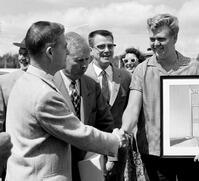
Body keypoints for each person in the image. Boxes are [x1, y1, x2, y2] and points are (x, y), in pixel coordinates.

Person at [5, 21, 126, 181]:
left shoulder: (25, 81)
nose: (66, 51)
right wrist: (115, 141)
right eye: (64, 47)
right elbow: (79, 133)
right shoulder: (43, 94)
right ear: (50, 52)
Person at [121, 13, 199, 181]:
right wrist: (124, 131)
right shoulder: (141, 70)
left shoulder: (194, 68)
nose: (155, 44)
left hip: (190, 151)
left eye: (161, 39)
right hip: (154, 153)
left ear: (175, 38)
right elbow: (132, 107)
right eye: (152, 39)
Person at [54, 31, 115, 181]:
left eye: (87, 59)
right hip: (58, 167)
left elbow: (105, 123)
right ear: (64, 57)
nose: (84, 65)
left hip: (89, 167)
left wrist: (108, 155)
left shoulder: (91, 85)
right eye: (79, 60)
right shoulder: (49, 85)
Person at [85, 29, 131, 180]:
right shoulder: (82, 76)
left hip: (118, 148)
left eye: (110, 46)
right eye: (101, 46)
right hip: (89, 148)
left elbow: (129, 110)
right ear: (91, 50)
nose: (107, 50)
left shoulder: (125, 76)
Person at [0, 38, 29, 179]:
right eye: (20, 53)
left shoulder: (52, 79)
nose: (22, 58)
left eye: (27, 54)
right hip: (13, 159)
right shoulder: (4, 82)